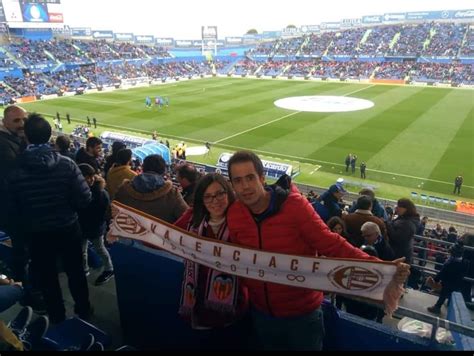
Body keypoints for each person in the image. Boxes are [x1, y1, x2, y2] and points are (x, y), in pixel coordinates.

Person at [225, 151, 410, 351]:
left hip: (302, 318)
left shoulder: (294, 206)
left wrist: (382, 268)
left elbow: (332, 244)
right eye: (238, 181)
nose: (245, 186)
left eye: (250, 178)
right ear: (232, 185)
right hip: (261, 314)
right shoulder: (235, 213)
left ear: (262, 177)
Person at [6, 113, 92, 324]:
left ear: (26, 136)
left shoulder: (15, 170)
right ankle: (84, 311)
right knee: (76, 272)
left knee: (47, 277)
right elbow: (84, 199)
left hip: (37, 234)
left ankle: (56, 317)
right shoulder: (67, 164)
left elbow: (13, 208)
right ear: (48, 135)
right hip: (68, 228)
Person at [174, 173, 249, 348]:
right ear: (201, 199)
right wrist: (127, 228)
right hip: (198, 306)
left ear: (229, 193)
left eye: (220, 194)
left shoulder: (244, 219)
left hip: (235, 307)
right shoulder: (192, 218)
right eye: (207, 196)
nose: (215, 200)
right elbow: (163, 237)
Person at [115, 154, 188, 223]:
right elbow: (187, 220)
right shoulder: (172, 194)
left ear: (142, 168)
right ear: (163, 171)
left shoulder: (124, 189)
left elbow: (111, 213)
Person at [77, 164, 114, 286]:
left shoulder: (101, 193)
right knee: (82, 250)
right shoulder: (76, 189)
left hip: (94, 227)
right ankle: (84, 269)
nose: (90, 179)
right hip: (82, 226)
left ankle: (109, 268)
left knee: (100, 248)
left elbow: (104, 213)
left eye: (91, 176)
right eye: (86, 177)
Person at [427, 242, 466, 315]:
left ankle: (437, 307)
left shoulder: (449, 262)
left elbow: (442, 272)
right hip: (457, 282)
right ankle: (449, 304)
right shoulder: (463, 262)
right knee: (452, 294)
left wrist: (436, 280)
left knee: (443, 294)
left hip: (447, 282)